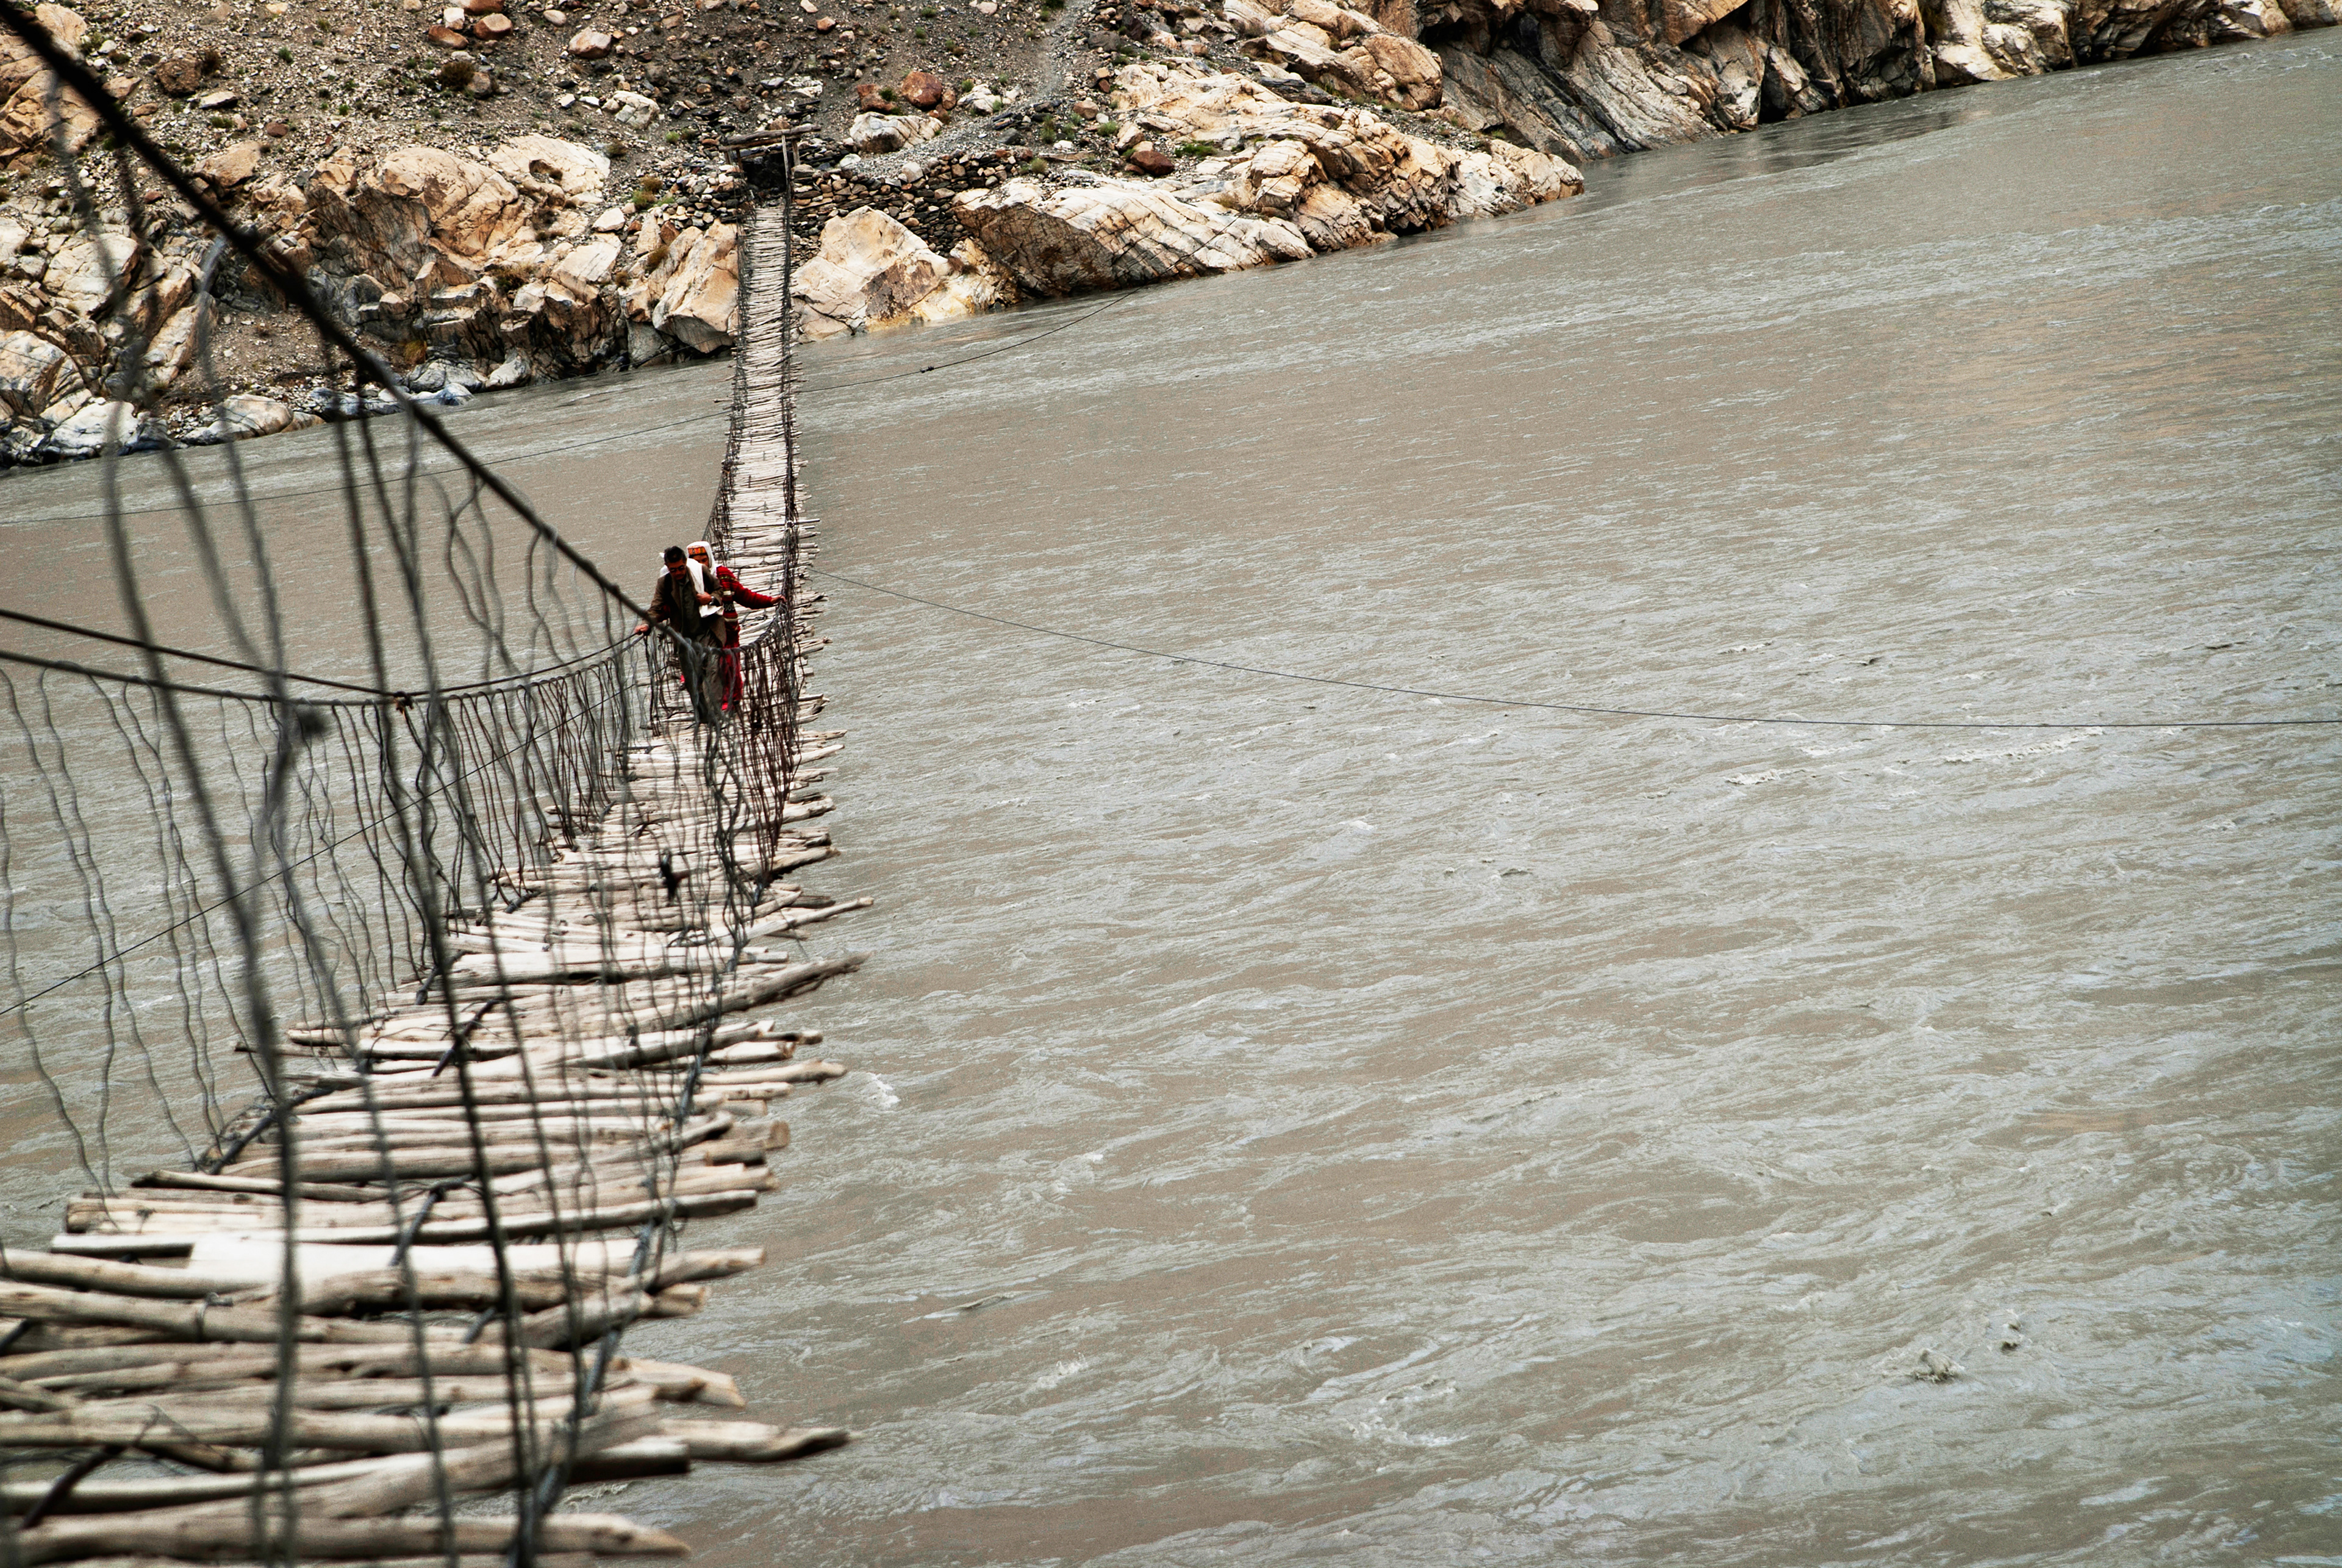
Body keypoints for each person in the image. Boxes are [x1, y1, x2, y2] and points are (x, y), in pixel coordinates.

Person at [686, 540, 779, 711]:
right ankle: (717, 702)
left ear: (710, 559)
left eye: (704, 560)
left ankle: (733, 699)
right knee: (712, 668)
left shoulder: (723, 575)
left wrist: (770, 601)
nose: (701, 565)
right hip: (704, 633)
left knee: (729, 665)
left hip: (729, 631)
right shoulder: (687, 580)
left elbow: (744, 596)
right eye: (696, 562)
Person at [636, 545, 720, 712]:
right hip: (684, 638)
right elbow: (656, 607)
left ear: (686, 562)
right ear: (667, 567)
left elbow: (720, 590)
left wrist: (710, 599)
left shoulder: (700, 572)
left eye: (681, 568)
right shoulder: (665, 583)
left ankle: (716, 713)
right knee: (692, 680)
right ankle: (704, 715)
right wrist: (646, 624)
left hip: (708, 631)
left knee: (713, 671)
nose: (678, 573)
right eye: (673, 570)